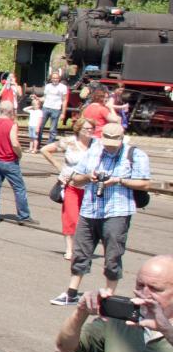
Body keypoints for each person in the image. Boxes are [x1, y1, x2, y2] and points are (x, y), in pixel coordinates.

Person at [64, 123, 153, 302]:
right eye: (106, 143)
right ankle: (71, 292)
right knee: (80, 252)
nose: (109, 147)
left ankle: (109, 294)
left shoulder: (135, 154)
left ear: (121, 139)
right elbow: (75, 178)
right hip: (90, 209)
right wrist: (89, 177)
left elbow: (145, 184)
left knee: (113, 254)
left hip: (117, 210)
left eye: (113, 144)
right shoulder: (93, 151)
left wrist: (119, 180)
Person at [45, 117, 100, 304]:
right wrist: (59, 167)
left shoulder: (97, 145)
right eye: (86, 128)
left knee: (87, 218)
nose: (89, 131)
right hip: (70, 184)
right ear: (78, 129)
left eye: (92, 128)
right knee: (71, 217)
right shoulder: (69, 142)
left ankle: (81, 247)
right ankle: (70, 249)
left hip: (89, 186)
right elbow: (46, 150)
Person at [42, 70, 69, 145]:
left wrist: (63, 113)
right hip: (46, 107)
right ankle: (37, 144)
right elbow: (44, 98)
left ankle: (50, 144)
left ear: (59, 79)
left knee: (52, 129)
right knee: (40, 126)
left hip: (56, 109)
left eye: (56, 78)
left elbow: (64, 100)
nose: (55, 79)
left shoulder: (63, 87)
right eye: (53, 78)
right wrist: (37, 98)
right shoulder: (47, 86)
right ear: (51, 79)